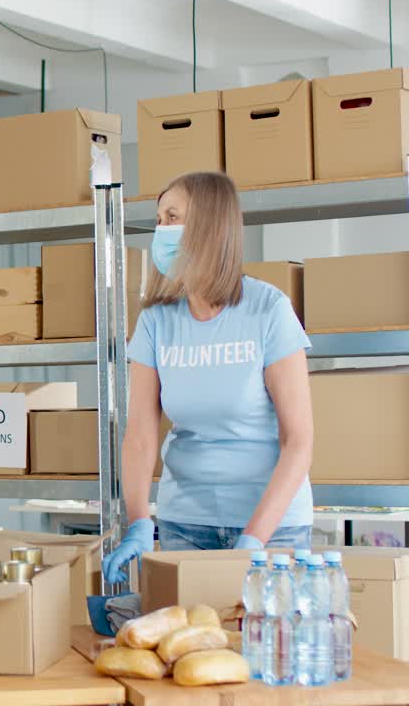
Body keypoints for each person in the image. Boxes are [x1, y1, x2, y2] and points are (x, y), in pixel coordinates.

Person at [103, 171, 313, 584]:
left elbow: (299, 441)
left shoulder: (268, 310)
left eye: (172, 217)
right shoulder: (157, 321)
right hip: (186, 525)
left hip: (273, 528)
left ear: (210, 225)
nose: (161, 230)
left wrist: (254, 540)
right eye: (159, 220)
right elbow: (140, 435)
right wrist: (139, 520)